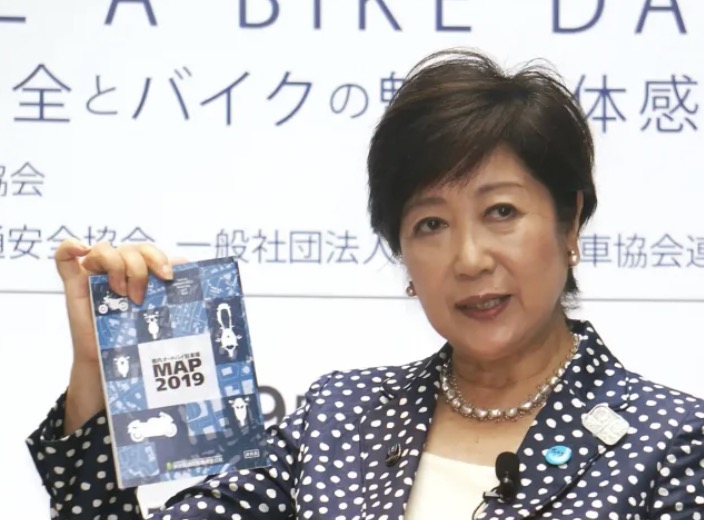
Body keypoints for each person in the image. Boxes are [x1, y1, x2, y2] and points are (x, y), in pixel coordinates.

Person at [26, 49, 704, 520]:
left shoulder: (672, 441)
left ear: (569, 220)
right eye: (431, 224)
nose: (469, 258)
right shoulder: (340, 416)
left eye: (501, 212)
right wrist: (100, 371)